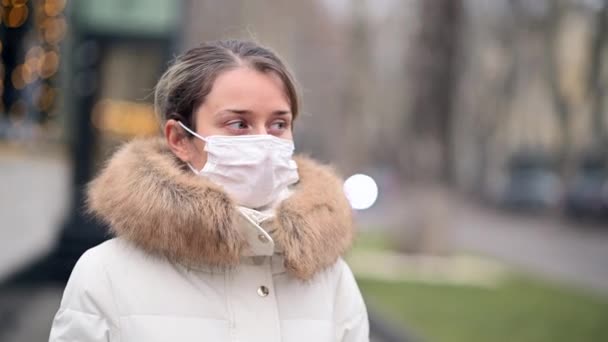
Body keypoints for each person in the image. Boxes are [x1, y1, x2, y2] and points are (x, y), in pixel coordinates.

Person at [48, 39, 369, 342]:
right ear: (179, 139)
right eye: (238, 124)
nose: (264, 140)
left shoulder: (331, 280)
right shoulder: (106, 274)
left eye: (278, 125)